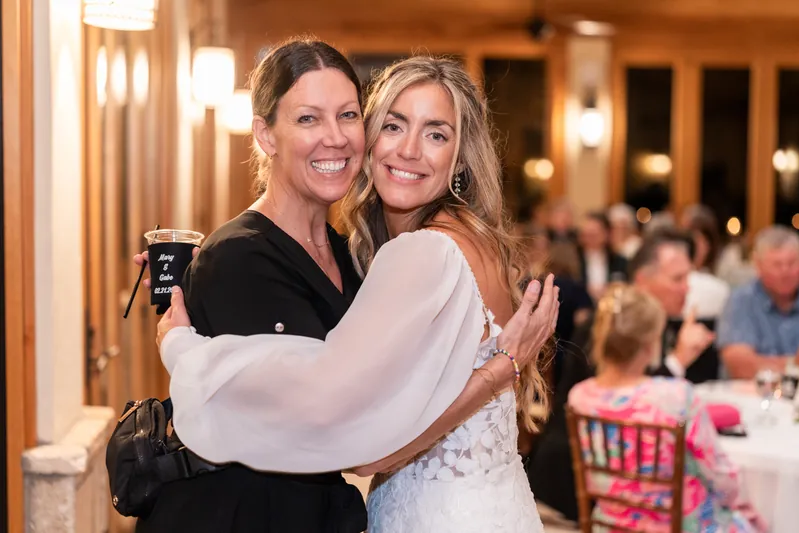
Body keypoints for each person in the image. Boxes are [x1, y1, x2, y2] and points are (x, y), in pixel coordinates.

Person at [134, 41, 557, 533]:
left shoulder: (411, 252)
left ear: (460, 158)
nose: (408, 149)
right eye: (394, 126)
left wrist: (179, 346)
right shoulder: (412, 249)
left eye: (436, 134)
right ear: (266, 135)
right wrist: (209, 265)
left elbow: (357, 440)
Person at [527, 230, 715, 522]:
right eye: (677, 279)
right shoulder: (606, 329)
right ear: (642, 280)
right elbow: (622, 404)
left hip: (634, 477)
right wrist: (678, 360)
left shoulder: (670, 327)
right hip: (578, 483)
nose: (687, 288)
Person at [568, 284, 764, 533]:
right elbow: (720, 475)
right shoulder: (675, 396)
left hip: (611, 524)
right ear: (649, 345)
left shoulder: (580, 396)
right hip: (676, 525)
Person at [717, 225, 799, 379]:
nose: (785, 272)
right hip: (751, 393)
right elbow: (741, 367)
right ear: (758, 265)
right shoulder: (741, 300)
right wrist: (793, 364)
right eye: (777, 264)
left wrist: (766, 363)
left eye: (792, 263)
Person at [576, 211, 628, 301]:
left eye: (594, 235)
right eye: (587, 235)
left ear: (606, 233)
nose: (591, 239)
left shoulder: (618, 260)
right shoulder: (574, 260)